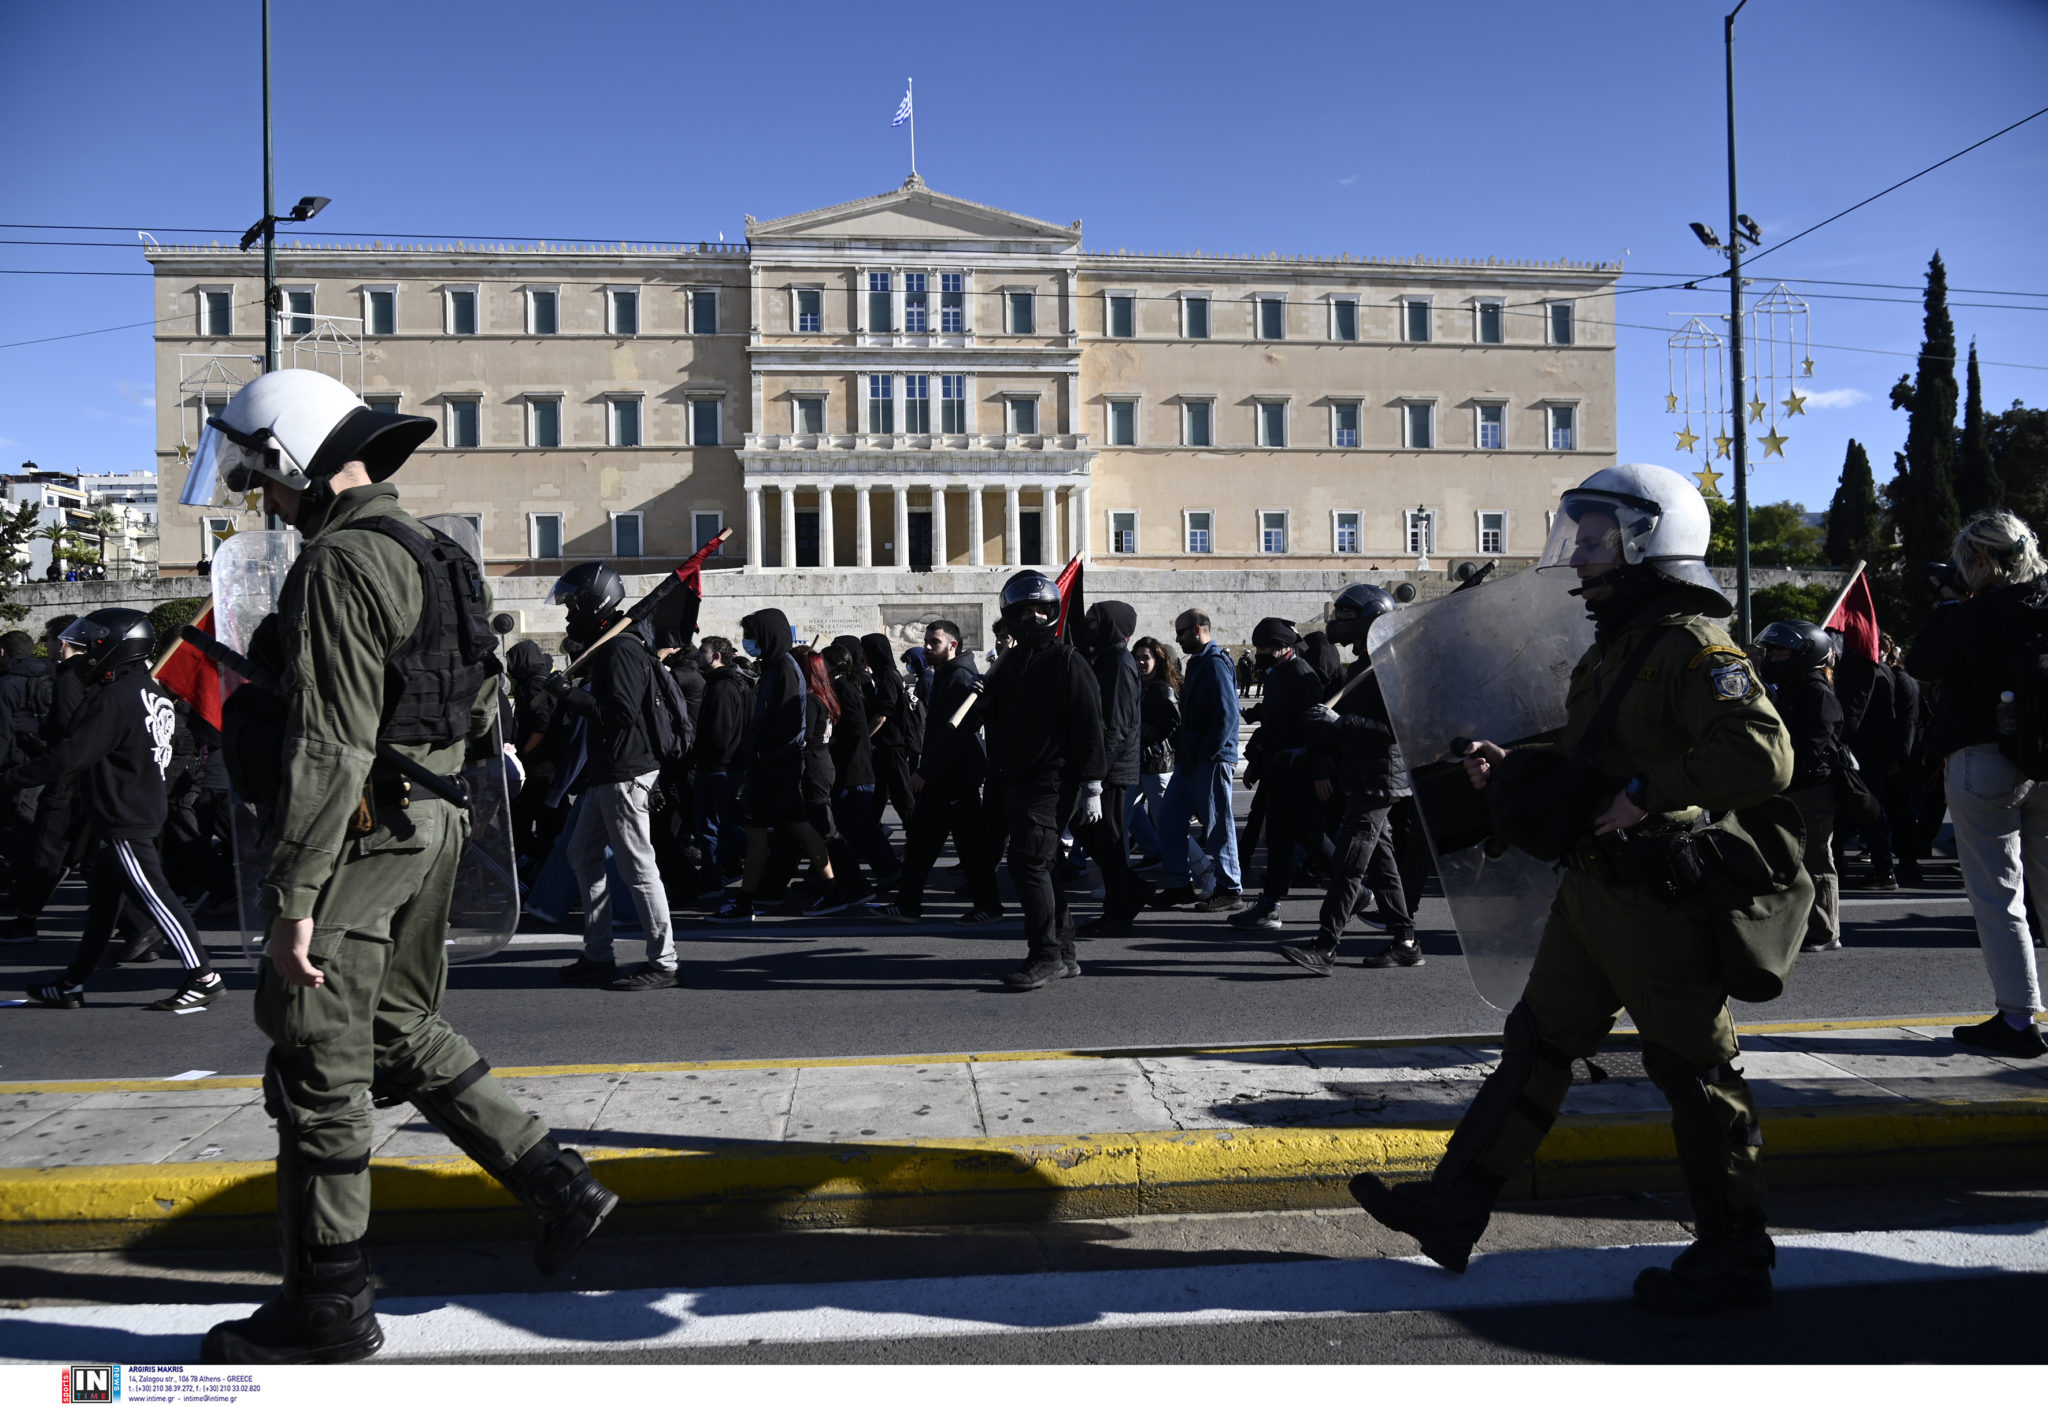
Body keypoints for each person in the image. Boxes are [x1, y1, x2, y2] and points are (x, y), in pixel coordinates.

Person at [188, 369, 614, 1363]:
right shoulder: (437, 554)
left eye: (266, 481)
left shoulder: (336, 565)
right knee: (399, 1026)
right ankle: (556, 1181)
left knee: (318, 1065)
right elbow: (473, 715)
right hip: (435, 822)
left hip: (364, 831)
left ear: (301, 462)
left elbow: (329, 745)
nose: (266, 503)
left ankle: (326, 1303)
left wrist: (293, 899)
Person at [1353, 462, 1794, 1315]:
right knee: (1537, 1045)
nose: (1579, 554)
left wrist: (1646, 796)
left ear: (1649, 539)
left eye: (1594, 538)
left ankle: (1737, 1253)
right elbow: (1601, 751)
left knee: (1695, 1071)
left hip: (1659, 892)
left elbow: (1762, 754)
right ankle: (1453, 1209)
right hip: (1596, 891)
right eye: (1580, 534)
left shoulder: (1692, 645)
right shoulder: (1625, 642)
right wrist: (1515, 766)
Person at [11, 610, 224, 1011]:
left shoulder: (115, 698)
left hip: (123, 814)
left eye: (94, 643)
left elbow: (69, 756)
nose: (89, 652)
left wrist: (10, 779)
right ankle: (73, 983)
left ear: (115, 647)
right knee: (104, 907)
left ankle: (204, 976)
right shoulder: (151, 692)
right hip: (132, 808)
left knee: (159, 900)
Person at [1903, 510, 2048, 1059]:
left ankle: (2017, 1018)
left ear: (1981, 561)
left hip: (1984, 760)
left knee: (1999, 895)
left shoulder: (1973, 612)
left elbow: (1923, 663)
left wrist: (1948, 603)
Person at [544, 562, 679, 993]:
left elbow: (618, 715)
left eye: (571, 604)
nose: (567, 613)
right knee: (582, 854)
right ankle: (598, 952)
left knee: (638, 868)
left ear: (591, 601)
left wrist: (569, 695)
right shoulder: (614, 644)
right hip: (606, 772)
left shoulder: (622, 648)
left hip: (624, 771)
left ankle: (664, 961)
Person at [1274, 584, 1420, 972]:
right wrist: (1308, 750)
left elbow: (1396, 728)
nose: (1339, 623)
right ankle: (1406, 941)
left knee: (1349, 863)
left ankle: (1326, 946)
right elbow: (1345, 729)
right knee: (1382, 864)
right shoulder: (1362, 665)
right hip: (1363, 774)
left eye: (1349, 616)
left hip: (1380, 777)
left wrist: (1342, 720)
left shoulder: (1390, 665)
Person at [977, 570, 1105, 989]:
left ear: (1052, 612)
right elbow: (995, 718)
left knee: (1028, 861)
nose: (1032, 618)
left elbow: (1090, 727)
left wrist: (1092, 787)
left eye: (1040, 610)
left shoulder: (1069, 661)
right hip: (1016, 775)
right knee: (1044, 864)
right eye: (1024, 611)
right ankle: (1064, 952)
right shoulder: (1012, 662)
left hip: (1053, 778)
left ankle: (1045, 954)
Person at [709, 608, 845, 923]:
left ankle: (745, 902)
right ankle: (832, 889)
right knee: (797, 825)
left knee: (759, 831)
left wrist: (757, 751)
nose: (747, 642)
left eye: (751, 635)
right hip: (778, 762)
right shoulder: (776, 667)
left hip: (774, 763)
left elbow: (782, 720)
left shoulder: (782, 669)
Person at [876, 619, 1002, 925]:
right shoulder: (948, 673)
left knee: (969, 845)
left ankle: (989, 906)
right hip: (942, 776)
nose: (928, 647)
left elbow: (956, 734)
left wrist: (926, 771)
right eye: (928, 641)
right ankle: (908, 905)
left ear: (953, 645)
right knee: (921, 842)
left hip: (954, 777)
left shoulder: (959, 676)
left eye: (935, 642)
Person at [1231, 618, 1325, 932]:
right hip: (1277, 768)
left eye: (1266, 648)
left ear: (1283, 647)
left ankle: (1354, 889)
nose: (1260, 653)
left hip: (1296, 769)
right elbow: (1272, 717)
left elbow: (1316, 725)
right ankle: (1270, 904)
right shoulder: (1280, 674)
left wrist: (1320, 769)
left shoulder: (1301, 675)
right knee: (1280, 839)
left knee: (1312, 836)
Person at [1756, 619, 1844, 952]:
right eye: (1773, 652)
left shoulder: (1816, 691)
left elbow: (1811, 745)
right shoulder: (1788, 687)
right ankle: (1795, 924)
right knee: (1786, 861)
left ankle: (1825, 931)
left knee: (1817, 862)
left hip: (1812, 788)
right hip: (1787, 787)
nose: (1773, 658)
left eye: (1780, 653)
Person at [1150, 610, 1245, 912]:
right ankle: (1179, 884)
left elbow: (1228, 715)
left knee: (1218, 826)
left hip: (1209, 760)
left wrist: (1209, 753)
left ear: (1197, 630)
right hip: (1192, 759)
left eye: (1181, 632)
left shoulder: (1216, 664)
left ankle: (1230, 887)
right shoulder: (1199, 663)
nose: (1177, 638)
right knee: (1167, 819)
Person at [1074, 601, 1151, 933]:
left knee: (1109, 839)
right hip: (1106, 765)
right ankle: (1130, 890)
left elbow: (1116, 726)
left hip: (1112, 769)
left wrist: (1095, 776)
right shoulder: (1106, 658)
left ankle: (1119, 910)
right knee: (1094, 834)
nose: (1089, 627)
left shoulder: (1119, 663)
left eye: (1094, 622)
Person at [821, 642, 901, 895]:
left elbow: (855, 730)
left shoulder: (843, 687)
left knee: (856, 825)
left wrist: (835, 744)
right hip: (852, 766)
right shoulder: (843, 685)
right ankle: (886, 870)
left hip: (853, 769)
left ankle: (888, 871)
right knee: (856, 825)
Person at [691, 636, 751, 888]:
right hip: (727, 766)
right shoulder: (731, 683)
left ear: (716, 656)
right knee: (722, 823)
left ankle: (713, 878)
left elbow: (719, 733)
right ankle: (737, 863)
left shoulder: (723, 687)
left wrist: (700, 756)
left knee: (709, 826)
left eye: (702, 651)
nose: (697, 655)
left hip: (719, 767)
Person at [1127, 637, 1179, 871]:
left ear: (1157, 660)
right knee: (1119, 820)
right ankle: (1115, 880)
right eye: (1137, 657)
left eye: (1145, 657)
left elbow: (1174, 722)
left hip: (1157, 763)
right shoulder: (1136, 685)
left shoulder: (1162, 688)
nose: (1140, 662)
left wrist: (1150, 735)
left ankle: (1201, 868)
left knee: (1168, 824)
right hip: (1136, 762)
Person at [862, 633, 919, 827]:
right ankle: (870, 836)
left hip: (894, 746)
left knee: (902, 797)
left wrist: (864, 739)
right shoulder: (884, 674)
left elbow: (882, 715)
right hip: (887, 746)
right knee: (878, 796)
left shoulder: (887, 676)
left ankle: (916, 840)